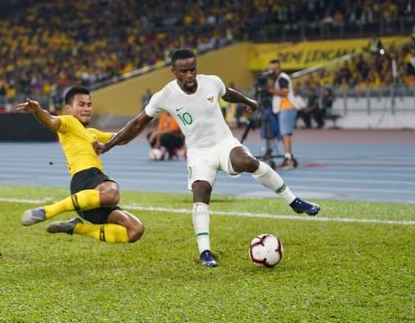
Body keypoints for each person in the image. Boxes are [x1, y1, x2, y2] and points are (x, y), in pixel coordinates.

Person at [96, 49, 320, 268]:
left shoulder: (211, 81)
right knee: (201, 193)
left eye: (193, 69)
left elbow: (227, 93)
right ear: (173, 71)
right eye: (183, 71)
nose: (189, 75)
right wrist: (109, 144)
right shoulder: (165, 96)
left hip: (224, 143)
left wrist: (249, 102)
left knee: (249, 162)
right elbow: (137, 123)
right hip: (198, 153)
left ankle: (294, 201)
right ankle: (205, 251)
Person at [17, 86, 144, 244]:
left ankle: (75, 227)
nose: (87, 109)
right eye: (81, 104)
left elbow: (122, 137)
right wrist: (37, 110)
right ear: (69, 108)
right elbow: (50, 121)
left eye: (89, 105)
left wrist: (146, 118)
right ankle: (48, 211)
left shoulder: (92, 132)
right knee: (112, 193)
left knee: (135, 230)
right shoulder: (68, 122)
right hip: (84, 179)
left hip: (93, 196)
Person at [267, 59, 300, 169]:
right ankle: (288, 156)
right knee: (284, 135)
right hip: (282, 108)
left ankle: (288, 159)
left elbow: (285, 93)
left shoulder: (282, 78)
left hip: (287, 107)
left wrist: (271, 90)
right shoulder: (276, 79)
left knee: (286, 135)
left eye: (275, 69)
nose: (273, 72)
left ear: (279, 68)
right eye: (271, 69)